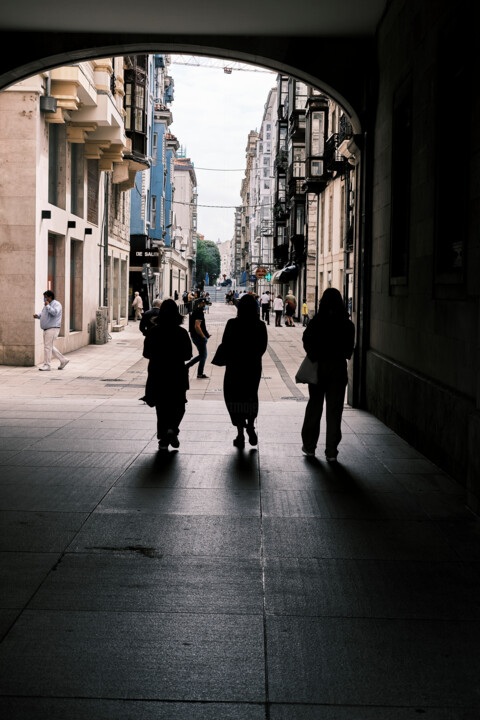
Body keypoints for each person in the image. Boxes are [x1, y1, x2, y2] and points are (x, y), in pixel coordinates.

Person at [300, 288, 355, 462]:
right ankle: (331, 451)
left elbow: (306, 340)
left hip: (318, 367)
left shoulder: (317, 321)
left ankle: (309, 446)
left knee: (314, 407)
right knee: (334, 410)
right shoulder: (347, 324)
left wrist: (315, 354)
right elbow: (348, 351)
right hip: (337, 368)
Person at [141, 299, 192, 451]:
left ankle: (163, 439)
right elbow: (188, 355)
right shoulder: (181, 332)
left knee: (161, 407)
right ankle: (173, 429)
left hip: (158, 372)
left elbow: (146, 353)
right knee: (179, 404)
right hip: (176, 372)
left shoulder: (153, 332)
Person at [220, 293, 268, 448]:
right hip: (253, 366)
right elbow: (262, 347)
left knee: (235, 397)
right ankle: (251, 425)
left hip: (235, 366)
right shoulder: (260, 325)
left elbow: (225, 343)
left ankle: (240, 434)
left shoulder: (232, 323)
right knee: (250, 395)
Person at [33, 290, 69, 371]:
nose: (44, 299)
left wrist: (48, 306)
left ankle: (47, 365)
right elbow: (44, 315)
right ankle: (63, 360)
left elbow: (55, 313)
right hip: (47, 329)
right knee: (49, 347)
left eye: (45, 297)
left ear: (50, 297)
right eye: (44, 297)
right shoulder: (47, 305)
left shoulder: (56, 304)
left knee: (47, 347)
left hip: (52, 328)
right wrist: (38, 316)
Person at [186, 296, 211, 378]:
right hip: (198, 337)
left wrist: (206, 334)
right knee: (203, 355)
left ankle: (193, 369)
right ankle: (194, 370)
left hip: (196, 336)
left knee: (202, 355)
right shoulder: (199, 312)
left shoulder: (196, 311)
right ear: (201, 303)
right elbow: (197, 326)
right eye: (204, 303)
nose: (205, 305)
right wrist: (203, 336)